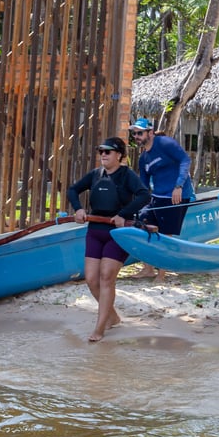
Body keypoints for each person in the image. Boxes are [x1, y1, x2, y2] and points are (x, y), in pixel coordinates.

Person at [67, 137, 151, 342]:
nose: (103, 154)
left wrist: (124, 214)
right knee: (91, 278)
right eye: (101, 151)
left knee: (106, 276)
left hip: (119, 233)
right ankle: (112, 316)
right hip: (95, 230)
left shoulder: (127, 175)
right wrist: (78, 208)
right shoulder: (96, 174)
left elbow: (144, 196)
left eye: (108, 151)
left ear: (119, 155)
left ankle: (100, 327)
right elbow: (73, 190)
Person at [130, 117, 195, 280]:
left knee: (166, 234)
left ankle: (162, 274)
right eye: (134, 133)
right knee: (142, 224)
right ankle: (148, 269)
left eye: (139, 133)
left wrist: (178, 186)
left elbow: (185, 160)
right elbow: (143, 185)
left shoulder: (165, 143)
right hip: (157, 197)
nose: (136, 136)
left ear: (150, 132)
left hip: (176, 196)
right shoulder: (143, 158)